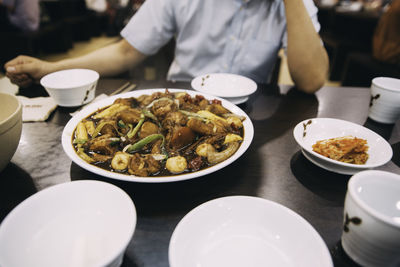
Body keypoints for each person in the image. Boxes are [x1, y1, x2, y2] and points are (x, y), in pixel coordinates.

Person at [4, 0, 329, 94]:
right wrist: (50, 68)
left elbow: (312, 80)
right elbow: (124, 52)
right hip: (180, 99)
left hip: (251, 113)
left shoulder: (293, 6)